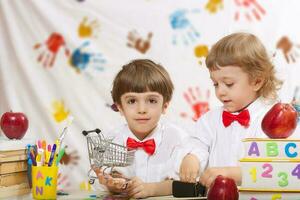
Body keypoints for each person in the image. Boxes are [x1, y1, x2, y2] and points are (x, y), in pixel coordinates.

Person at [178, 32, 283, 188]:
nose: (220, 91)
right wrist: (192, 156)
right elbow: (198, 142)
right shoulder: (211, 120)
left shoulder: (271, 122)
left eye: (228, 84)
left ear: (256, 81)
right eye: (215, 84)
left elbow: (273, 170)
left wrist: (230, 173)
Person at [93, 59, 191, 198]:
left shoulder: (177, 139)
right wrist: (114, 185)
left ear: (165, 106)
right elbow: (101, 179)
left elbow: (187, 182)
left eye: (151, 101)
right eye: (132, 101)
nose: (142, 109)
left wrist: (153, 189)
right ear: (120, 107)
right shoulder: (111, 140)